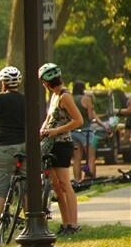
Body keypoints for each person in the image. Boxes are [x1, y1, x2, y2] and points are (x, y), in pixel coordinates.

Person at [38, 63, 83, 235]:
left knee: (65, 184)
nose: (43, 86)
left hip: (62, 144)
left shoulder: (65, 96)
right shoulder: (54, 96)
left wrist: (55, 131)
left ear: (48, 83)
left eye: (43, 83)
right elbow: (49, 118)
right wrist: (41, 132)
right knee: (55, 185)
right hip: (50, 142)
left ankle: (73, 224)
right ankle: (65, 223)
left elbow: (78, 120)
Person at [0, 66, 25, 245]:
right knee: (27, 187)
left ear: (3, 83)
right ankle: (32, 224)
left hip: (4, 147)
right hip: (25, 148)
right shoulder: (26, 99)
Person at [70, 81, 110, 182]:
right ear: (83, 89)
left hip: (73, 131)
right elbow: (90, 116)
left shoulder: (69, 99)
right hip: (85, 131)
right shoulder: (86, 99)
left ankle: (77, 180)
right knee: (90, 157)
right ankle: (90, 178)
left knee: (76, 159)